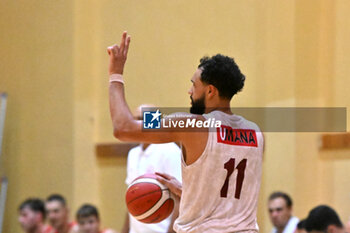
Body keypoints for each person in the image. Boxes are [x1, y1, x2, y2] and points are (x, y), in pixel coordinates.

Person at [107, 32, 264, 232]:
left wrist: (115, 75)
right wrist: (187, 191)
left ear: (210, 91)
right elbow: (230, 194)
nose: (189, 91)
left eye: (194, 84)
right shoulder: (255, 133)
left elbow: (124, 127)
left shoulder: (190, 124)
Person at [121, 105, 182, 233]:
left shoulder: (169, 150)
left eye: (142, 119)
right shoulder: (133, 153)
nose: (138, 124)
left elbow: (180, 199)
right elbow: (132, 198)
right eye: (135, 120)